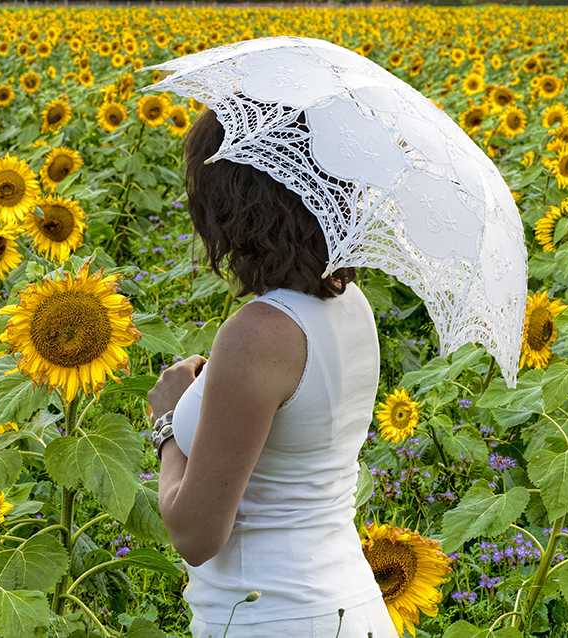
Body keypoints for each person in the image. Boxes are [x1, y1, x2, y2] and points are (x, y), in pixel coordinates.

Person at [145, 108, 399, 638]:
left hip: (272, 616)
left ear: (234, 203)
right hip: (350, 607)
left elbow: (195, 534)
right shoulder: (351, 304)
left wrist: (168, 422)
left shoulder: (259, 332)